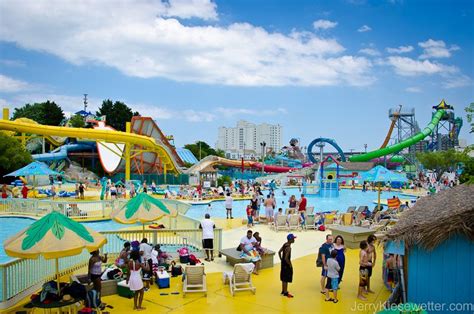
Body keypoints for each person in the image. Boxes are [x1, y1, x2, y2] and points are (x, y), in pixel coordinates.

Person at [279, 233, 296, 298]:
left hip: (283, 264)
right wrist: (290, 264)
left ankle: (283, 290)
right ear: (290, 239)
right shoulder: (289, 248)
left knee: (283, 277)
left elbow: (279, 252)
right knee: (286, 278)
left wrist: (281, 259)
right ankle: (285, 292)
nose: (294, 240)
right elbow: (286, 258)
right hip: (286, 264)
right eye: (293, 239)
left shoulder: (285, 244)